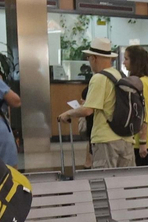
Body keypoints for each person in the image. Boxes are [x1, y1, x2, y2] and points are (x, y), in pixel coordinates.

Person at [60, 38, 141, 168]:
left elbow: (87, 110)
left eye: (89, 58)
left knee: (103, 183)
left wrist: (68, 113)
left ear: (94, 58)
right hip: (126, 139)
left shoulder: (99, 78)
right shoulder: (120, 75)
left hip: (105, 140)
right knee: (125, 183)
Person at [127, 45, 148, 167]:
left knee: (140, 175)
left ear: (134, 62)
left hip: (141, 137)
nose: (124, 62)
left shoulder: (140, 83)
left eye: (126, 59)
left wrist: (142, 141)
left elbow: (143, 114)